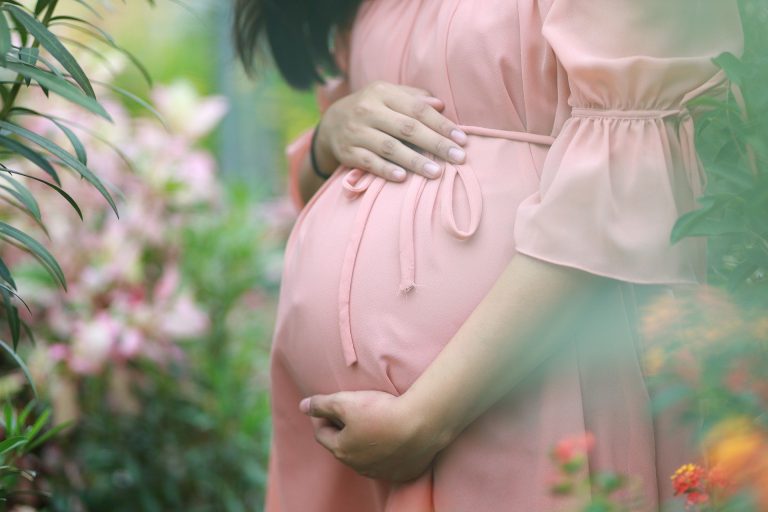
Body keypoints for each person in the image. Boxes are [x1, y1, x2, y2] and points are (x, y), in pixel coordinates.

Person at [233, 0, 744, 510]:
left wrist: (425, 419)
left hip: (529, 386)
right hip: (348, 456)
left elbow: (634, 192)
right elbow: (319, 187)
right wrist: (329, 135)